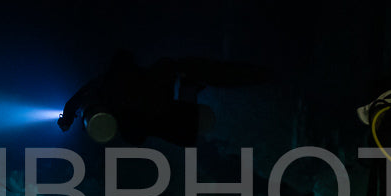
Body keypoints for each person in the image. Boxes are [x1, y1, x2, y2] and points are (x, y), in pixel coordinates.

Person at [59, 50, 268, 146]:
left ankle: (192, 88)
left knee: (168, 126)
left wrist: (66, 121)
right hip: (154, 112)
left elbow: (75, 102)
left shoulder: (104, 83)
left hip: (144, 119)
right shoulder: (142, 76)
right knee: (175, 120)